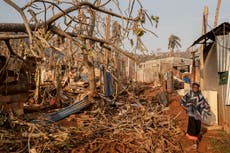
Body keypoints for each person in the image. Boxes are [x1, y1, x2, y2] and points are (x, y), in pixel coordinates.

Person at [180, 82, 210, 149]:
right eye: (194, 87)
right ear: (192, 88)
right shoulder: (189, 94)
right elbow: (182, 101)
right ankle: (195, 143)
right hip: (191, 115)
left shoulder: (200, 96)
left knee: (197, 128)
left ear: (198, 88)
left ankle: (195, 140)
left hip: (198, 116)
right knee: (193, 128)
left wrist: (204, 111)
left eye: (196, 87)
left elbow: (205, 105)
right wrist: (186, 108)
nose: (195, 89)